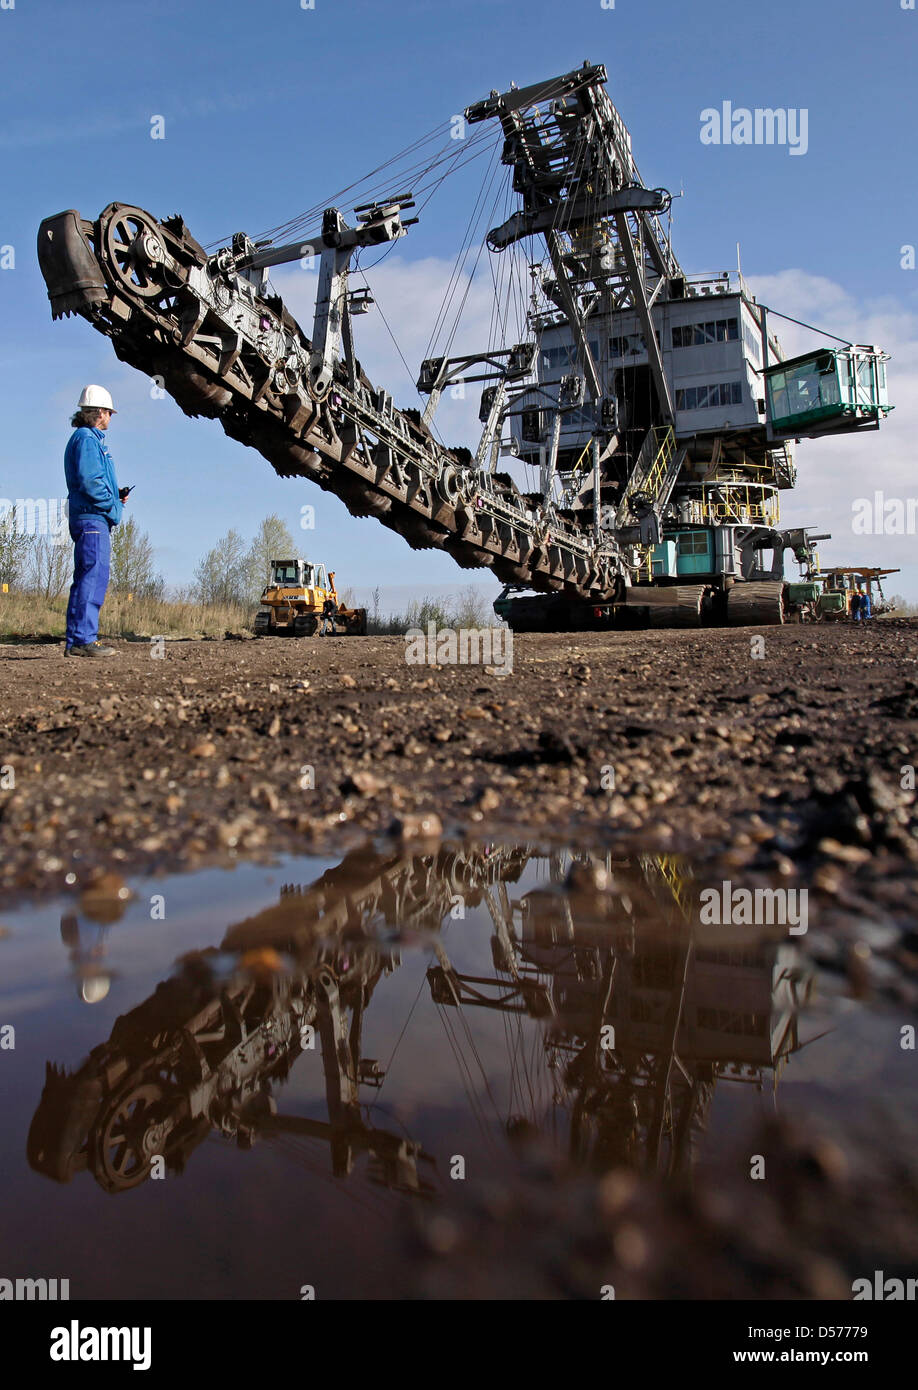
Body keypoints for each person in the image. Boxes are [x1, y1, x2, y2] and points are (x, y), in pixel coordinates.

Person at [64, 385, 127, 657]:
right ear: (100, 412)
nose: (111, 418)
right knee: (93, 576)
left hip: (90, 517)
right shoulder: (87, 439)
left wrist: (115, 494)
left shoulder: (87, 439)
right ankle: (82, 641)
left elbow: (93, 481)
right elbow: (91, 482)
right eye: (110, 413)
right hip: (93, 520)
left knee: (88, 576)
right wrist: (113, 505)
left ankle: (79, 639)